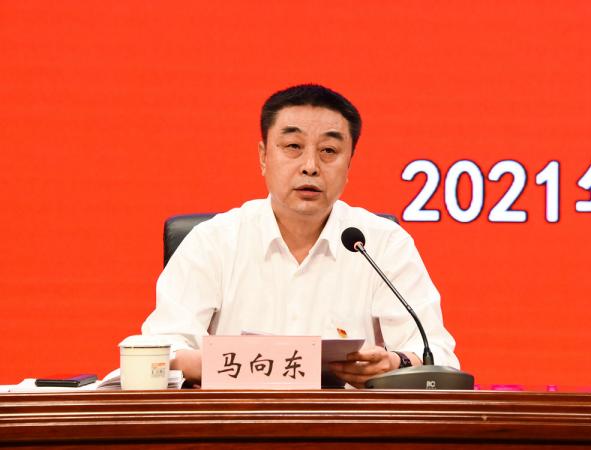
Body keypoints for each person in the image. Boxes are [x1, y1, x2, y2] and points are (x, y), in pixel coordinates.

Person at [142, 84, 459, 388]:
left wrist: (394, 363)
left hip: (349, 423)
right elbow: (159, 350)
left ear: (349, 164)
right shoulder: (213, 241)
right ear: (264, 157)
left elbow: (437, 354)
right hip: (237, 420)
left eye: (329, 151)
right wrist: (241, 366)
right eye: (293, 147)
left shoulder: (383, 244)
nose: (310, 166)